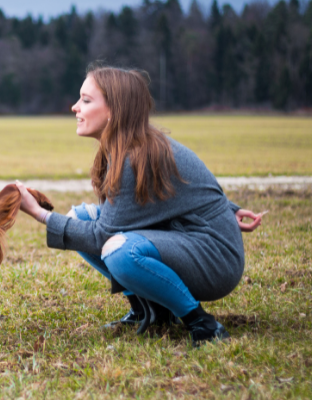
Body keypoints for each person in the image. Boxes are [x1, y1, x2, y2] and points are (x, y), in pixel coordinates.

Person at [15, 65, 263, 346]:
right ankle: (149, 309)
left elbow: (101, 236)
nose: (75, 107)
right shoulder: (130, 146)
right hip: (186, 238)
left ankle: (201, 323)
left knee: (119, 250)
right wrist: (231, 209)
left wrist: (39, 214)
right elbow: (181, 189)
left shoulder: (136, 156)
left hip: (216, 260)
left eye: (86, 100)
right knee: (80, 216)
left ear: (114, 110)